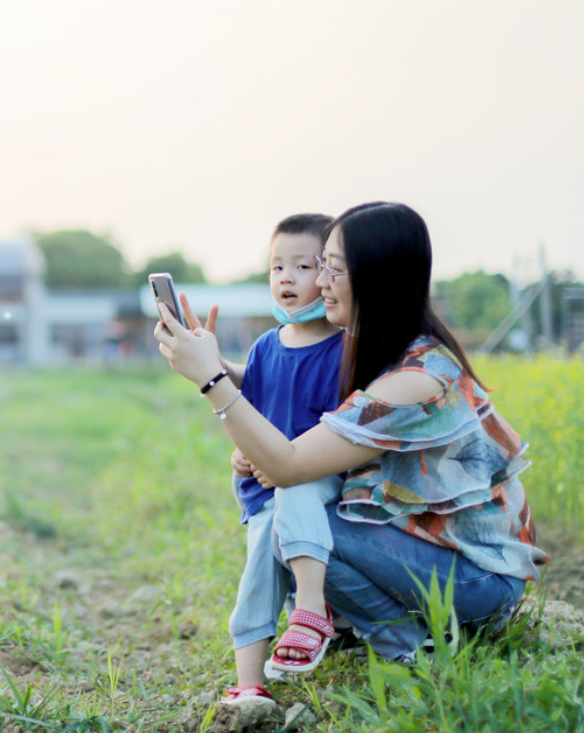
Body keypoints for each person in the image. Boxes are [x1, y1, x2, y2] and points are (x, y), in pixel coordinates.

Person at [156, 201, 546, 667]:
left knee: (293, 522)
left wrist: (211, 381)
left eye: (332, 269)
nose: (319, 282)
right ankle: (396, 636)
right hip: (426, 552)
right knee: (298, 521)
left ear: (375, 279)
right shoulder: (377, 349)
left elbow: (289, 466)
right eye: (319, 265)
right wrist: (217, 366)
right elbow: (284, 395)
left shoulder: (418, 378)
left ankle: (403, 644)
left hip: (477, 582)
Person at [206, 214, 344, 709]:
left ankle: (311, 610)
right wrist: (244, 454)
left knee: (292, 503)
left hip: (312, 479)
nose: (286, 277)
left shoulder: (343, 349)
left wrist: (282, 462)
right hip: (263, 487)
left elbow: (336, 433)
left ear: (328, 272)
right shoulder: (267, 345)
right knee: (257, 573)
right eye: (276, 266)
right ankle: (249, 681)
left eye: (302, 266)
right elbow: (256, 405)